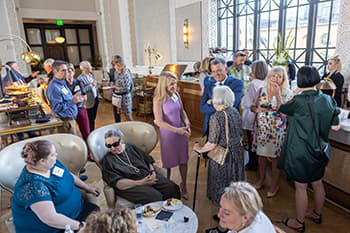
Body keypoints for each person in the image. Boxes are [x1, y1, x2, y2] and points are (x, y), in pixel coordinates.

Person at [278, 66, 340, 233]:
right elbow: (335, 127)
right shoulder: (328, 100)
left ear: (299, 80)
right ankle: (317, 214)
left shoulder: (298, 101)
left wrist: (295, 91)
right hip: (320, 149)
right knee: (318, 183)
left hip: (301, 150)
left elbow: (282, 109)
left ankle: (299, 222)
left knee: (301, 187)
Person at [11, 140, 100, 233]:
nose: (56, 155)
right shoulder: (33, 186)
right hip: (55, 228)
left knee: (99, 218)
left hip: (77, 211)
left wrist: (86, 187)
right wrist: (80, 226)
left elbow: (68, 175)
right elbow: (50, 218)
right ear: (42, 161)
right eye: (53, 154)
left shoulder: (51, 164)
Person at [194, 86, 245, 206]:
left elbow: (212, 143)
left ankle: (224, 208)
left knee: (222, 181)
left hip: (223, 156)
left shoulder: (216, 116)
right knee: (234, 182)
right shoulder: (234, 111)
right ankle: (234, 205)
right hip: (237, 153)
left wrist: (199, 149)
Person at [101, 129, 181, 205]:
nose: (112, 148)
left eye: (115, 144)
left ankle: (173, 212)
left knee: (172, 188)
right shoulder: (108, 161)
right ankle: (158, 218)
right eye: (108, 145)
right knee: (155, 197)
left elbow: (147, 160)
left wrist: (152, 172)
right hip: (130, 186)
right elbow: (118, 184)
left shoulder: (131, 147)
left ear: (121, 140)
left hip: (147, 176)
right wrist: (141, 182)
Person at [252, 66, 292, 198]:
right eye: (273, 76)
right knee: (261, 156)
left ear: (283, 79)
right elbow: (253, 106)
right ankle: (261, 179)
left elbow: (285, 113)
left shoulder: (287, 93)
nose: (276, 78)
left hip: (277, 130)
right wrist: (256, 109)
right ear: (269, 77)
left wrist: (278, 95)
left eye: (279, 76)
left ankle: (274, 184)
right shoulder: (261, 90)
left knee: (275, 159)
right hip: (262, 128)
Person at [153, 71, 190, 199]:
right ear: (163, 84)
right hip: (168, 135)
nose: (175, 86)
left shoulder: (176, 94)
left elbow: (182, 111)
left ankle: (183, 185)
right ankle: (167, 188)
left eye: (175, 83)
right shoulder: (159, 99)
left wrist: (187, 122)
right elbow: (159, 122)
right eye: (171, 84)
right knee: (168, 164)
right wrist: (176, 130)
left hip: (181, 132)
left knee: (183, 161)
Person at [200, 57, 243, 137]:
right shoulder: (208, 84)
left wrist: (212, 102)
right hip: (212, 127)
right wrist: (220, 105)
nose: (216, 74)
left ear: (226, 69)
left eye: (219, 70)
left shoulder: (237, 83)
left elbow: (233, 104)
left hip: (230, 126)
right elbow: (202, 107)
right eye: (213, 71)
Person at [210, 181, 276, 233]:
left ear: (245, 218)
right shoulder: (253, 211)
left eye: (226, 213)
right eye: (221, 207)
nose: (219, 215)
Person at [241, 60, 268, 171]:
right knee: (258, 140)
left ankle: (252, 164)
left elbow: (246, 103)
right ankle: (258, 163)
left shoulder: (253, 84)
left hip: (252, 115)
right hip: (263, 115)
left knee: (251, 140)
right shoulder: (266, 83)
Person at [3, 61, 39, 140]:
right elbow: (9, 93)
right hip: (16, 104)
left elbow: (24, 81)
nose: (18, 68)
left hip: (24, 102)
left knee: (26, 118)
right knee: (17, 120)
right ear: (11, 68)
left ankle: (31, 132)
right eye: (16, 66)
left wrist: (32, 76)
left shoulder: (17, 75)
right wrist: (20, 101)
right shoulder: (8, 79)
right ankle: (21, 136)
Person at [46, 60, 84, 134]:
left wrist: (75, 98)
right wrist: (72, 101)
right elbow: (56, 108)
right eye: (63, 70)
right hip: (65, 123)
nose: (66, 72)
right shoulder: (54, 87)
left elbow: (66, 99)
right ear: (55, 72)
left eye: (67, 70)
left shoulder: (62, 83)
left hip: (71, 121)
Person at [66, 64, 90, 146]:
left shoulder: (78, 82)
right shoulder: (62, 85)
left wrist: (77, 99)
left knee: (86, 132)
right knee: (72, 133)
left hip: (80, 108)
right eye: (67, 71)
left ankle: (90, 151)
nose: (69, 73)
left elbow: (84, 96)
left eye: (71, 70)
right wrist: (75, 98)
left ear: (73, 72)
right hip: (69, 110)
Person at [110, 55, 134, 122]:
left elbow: (126, 88)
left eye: (115, 66)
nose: (115, 68)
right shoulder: (118, 73)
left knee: (127, 116)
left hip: (125, 98)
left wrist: (115, 87)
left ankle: (131, 129)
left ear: (120, 66)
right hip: (119, 97)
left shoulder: (125, 74)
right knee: (123, 115)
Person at [78, 61, 99, 131]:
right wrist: (91, 85)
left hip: (95, 98)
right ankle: (91, 133)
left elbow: (94, 85)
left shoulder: (91, 75)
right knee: (90, 119)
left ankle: (93, 130)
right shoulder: (80, 78)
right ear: (85, 68)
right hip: (89, 101)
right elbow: (82, 90)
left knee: (93, 117)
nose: (91, 67)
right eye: (90, 66)